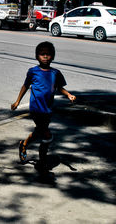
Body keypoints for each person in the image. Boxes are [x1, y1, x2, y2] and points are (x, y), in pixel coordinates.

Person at [11, 42, 76, 177]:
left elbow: (59, 88)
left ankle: (24, 144)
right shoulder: (33, 71)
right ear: (37, 56)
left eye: (48, 54)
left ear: (52, 57)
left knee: (39, 131)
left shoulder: (55, 73)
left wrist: (68, 94)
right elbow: (25, 86)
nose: (45, 57)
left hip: (47, 109)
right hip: (36, 108)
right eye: (42, 54)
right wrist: (17, 101)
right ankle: (42, 163)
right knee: (47, 135)